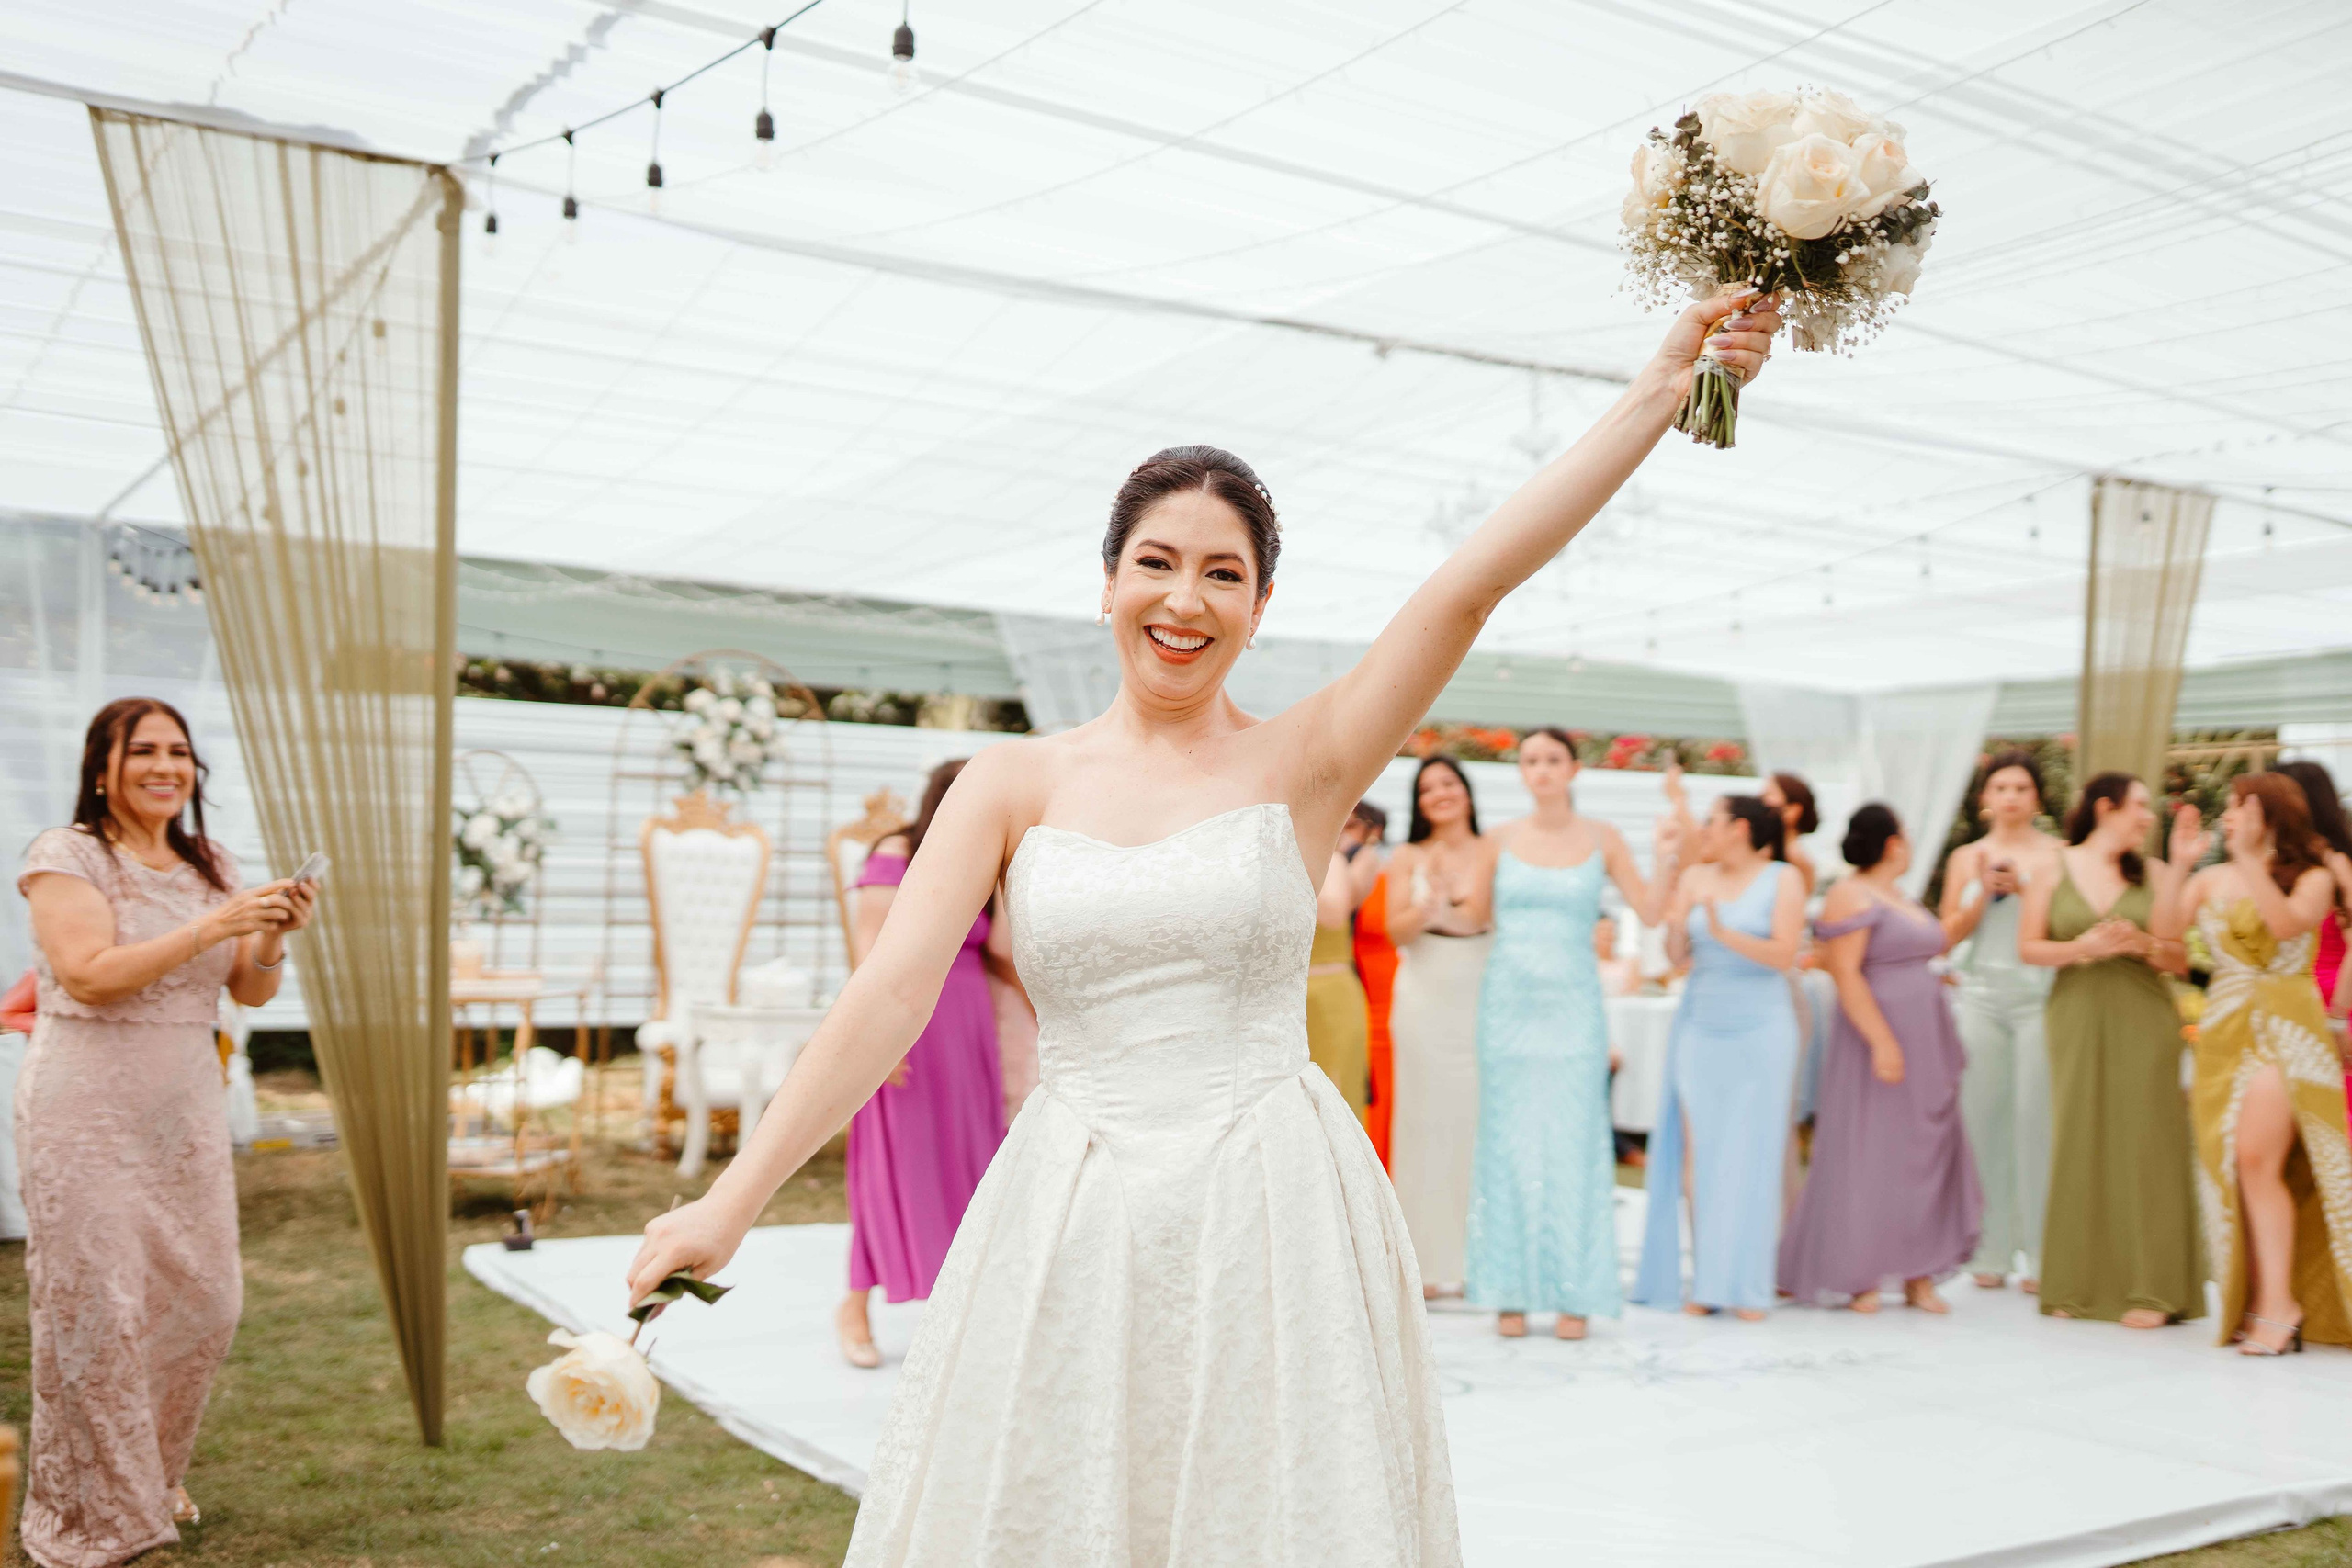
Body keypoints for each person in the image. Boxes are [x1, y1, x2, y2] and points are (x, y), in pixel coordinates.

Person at [625, 289, 1781, 1563]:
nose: (1185, 599)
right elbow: (887, 994)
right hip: (1071, 1207)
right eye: (1157, 563)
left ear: (1261, 601)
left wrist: (1659, 390)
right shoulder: (1014, 783)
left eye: (1222, 572)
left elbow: (1473, 582)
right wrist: (728, 1204)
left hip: (1271, 1201)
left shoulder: (1309, 757)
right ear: (1110, 581)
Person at [17, 698, 313, 1567]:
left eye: (178, 752)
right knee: (100, 1310)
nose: (163, 765)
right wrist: (212, 926)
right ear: (101, 766)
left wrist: (270, 936)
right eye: (141, 749)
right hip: (85, 1101)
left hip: (181, 1104)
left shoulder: (207, 861)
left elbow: (250, 991)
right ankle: (93, 1509)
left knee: (204, 1298)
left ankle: (150, 1472)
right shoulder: (66, 853)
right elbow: (88, 974)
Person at [1462, 727, 1676, 1339]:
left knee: (1575, 1143)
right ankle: (1508, 1290)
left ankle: (1576, 1294)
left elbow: (1653, 910)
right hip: (1508, 1006)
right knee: (1508, 1144)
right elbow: (1476, 916)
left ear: (1573, 768)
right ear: (1523, 772)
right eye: (1531, 760)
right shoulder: (1497, 839)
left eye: (1553, 759)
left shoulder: (1604, 837)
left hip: (1574, 1010)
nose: (1542, 770)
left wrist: (1666, 854)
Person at [2161, 774, 2352, 1353]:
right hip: (2224, 1028)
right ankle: (2264, 1298)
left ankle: (2280, 1306)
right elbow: (2167, 942)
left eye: (2241, 807)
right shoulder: (2210, 878)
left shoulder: (2316, 876)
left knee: (2254, 1156)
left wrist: (2249, 863)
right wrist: (2176, 867)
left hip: (2290, 1029)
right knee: (2236, 1167)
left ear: (2270, 816)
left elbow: (2286, 925)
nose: (2229, 817)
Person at [839, 760, 1012, 1368]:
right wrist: (881, 1042)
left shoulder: (983, 859)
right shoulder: (897, 849)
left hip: (968, 1023)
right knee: (893, 1165)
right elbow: (871, 949)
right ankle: (855, 1306)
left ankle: (963, 1310)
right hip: (907, 1022)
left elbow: (999, 949)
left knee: (971, 1162)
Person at [1778, 805, 1983, 1312]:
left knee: (1924, 1150)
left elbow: (1943, 938)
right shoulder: (1850, 892)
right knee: (1873, 1149)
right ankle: (1860, 1273)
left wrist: (1984, 897)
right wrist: (1882, 1040)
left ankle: (1919, 1272)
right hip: (1879, 1034)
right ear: (1892, 842)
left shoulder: (1903, 898)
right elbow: (1845, 971)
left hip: (1927, 1036)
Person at [2018, 773, 2202, 1330]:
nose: (2149, 815)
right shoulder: (2051, 866)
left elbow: (2180, 958)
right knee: (2080, 1135)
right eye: (2141, 805)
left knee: (2148, 1140)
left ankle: (2154, 1288)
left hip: (2145, 1016)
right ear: (2106, 807)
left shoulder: (2159, 872)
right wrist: (2084, 947)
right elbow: (2029, 947)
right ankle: (2075, 1284)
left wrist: (2146, 942)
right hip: (2074, 1012)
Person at [1632, 795, 1805, 1319]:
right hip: (1701, 1025)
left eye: (1712, 820)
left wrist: (1724, 931)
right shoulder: (1694, 878)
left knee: (1753, 1152)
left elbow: (1783, 954)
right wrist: (1681, 926)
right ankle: (1707, 1282)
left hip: (1763, 1025)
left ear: (1742, 828)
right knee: (1697, 1154)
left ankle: (1747, 1284)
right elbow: (1676, 959)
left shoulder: (1783, 878)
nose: (1703, 828)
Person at [1938, 750, 2064, 1292]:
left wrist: (2028, 889)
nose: (2011, 796)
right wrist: (1982, 896)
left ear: (2037, 798)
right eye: (2001, 787)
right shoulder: (1966, 857)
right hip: (1981, 996)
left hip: (2040, 996)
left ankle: (2041, 1252)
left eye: (2021, 787)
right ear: (1985, 799)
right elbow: (1945, 935)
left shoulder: (2061, 854)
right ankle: (1987, 1251)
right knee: (1980, 1119)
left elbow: (2065, 924)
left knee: (2037, 1120)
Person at [1385, 755, 1493, 1296]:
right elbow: (1395, 930)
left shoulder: (1493, 849)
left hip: (1479, 991)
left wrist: (1451, 908)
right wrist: (1430, 909)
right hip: (1424, 995)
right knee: (1424, 1124)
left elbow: (1483, 917)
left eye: (1448, 783)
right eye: (1428, 789)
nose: (1439, 794)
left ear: (1467, 791)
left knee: (1477, 1125)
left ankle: (1478, 1259)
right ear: (1419, 803)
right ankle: (1423, 1263)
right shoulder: (1408, 855)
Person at [2270, 760, 2352, 1111]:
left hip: (2333, 1004)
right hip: (2289, 1004)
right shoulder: (2281, 867)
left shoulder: (2335, 864)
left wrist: (2337, 1017)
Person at [1306, 810, 1381, 1117]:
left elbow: (1335, 914)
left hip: (1332, 992)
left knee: (1338, 1097)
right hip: (1285, 998)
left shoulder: (1336, 859)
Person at [1349, 802, 1401, 1168]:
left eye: (1353, 824)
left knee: (1381, 1085)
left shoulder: (1384, 873)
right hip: (1351, 984)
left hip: (1382, 989)